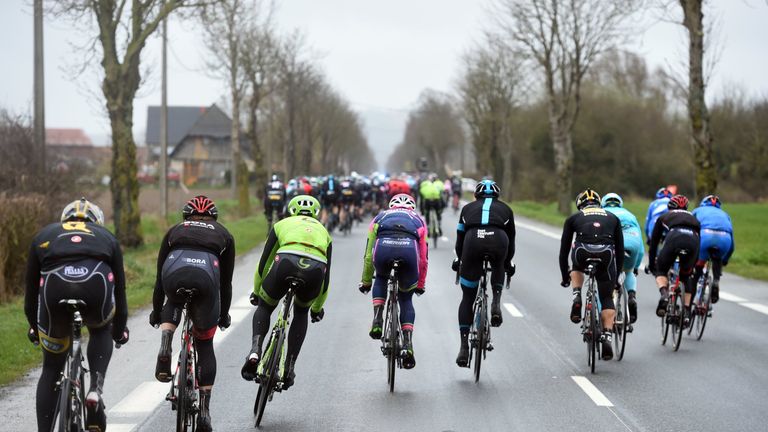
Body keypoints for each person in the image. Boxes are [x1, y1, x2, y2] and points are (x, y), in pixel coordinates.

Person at [24, 198, 129, 432]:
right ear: (96, 222)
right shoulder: (107, 237)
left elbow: (30, 297)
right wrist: (119, 329)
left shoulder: (44, 235)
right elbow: (120, 294)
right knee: (101, 329)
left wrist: (35, 327)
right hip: (95, 285)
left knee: (51, 369)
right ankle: (95, 390)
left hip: (55, 287)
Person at [150, 195, 235, 432]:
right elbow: (225, 283)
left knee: (174, 298)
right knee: (205, 344)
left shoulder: (174, 230)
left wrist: (157, 312)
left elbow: (159, 281)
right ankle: (205, 412)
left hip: (174, 273)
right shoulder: (224, 234)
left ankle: (166, 340)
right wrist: (223, 314)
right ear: (213, 218)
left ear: (187, 216)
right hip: (206, 278)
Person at [241, 195, 332, 389]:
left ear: (290, 209)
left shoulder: (281, 224)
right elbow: (326, 278)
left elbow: (264, 263)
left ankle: (255, 349)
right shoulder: (324, 232)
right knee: (301, 312)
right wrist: (317, 308)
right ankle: (289, 366)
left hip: (285, 262)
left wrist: (257, 292)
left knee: (265, 307)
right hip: (315, 269)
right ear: (316, 213)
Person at [359, 194, 428, 369]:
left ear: (391, 206)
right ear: (411, 208)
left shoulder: (380, 217)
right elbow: (423, 259)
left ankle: (377, 319)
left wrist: (366, 281)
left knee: (381, 277)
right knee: (406, 298)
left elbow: (368, 255)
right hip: (408, 252)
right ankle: (407, 344)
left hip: (384, 248)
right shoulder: (419, 221)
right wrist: (420, 284)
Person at [453, 180, 515, 367]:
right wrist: (507, 263)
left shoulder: (467, 209)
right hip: (499, 240)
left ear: (476, 195)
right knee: (498, 265)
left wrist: (459, 259)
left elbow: (459, 240)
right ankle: (496, 303)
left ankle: (464, 348)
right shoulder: (506, 209)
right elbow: (511, 241)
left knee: (467, 297)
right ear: (497, 196)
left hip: (473, 241)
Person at [559, 189, 623, 361]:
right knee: (606, 297)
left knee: (577, 266)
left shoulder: (573, 218)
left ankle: (577, 296)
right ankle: (608, 336)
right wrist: (616, 278)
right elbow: (620, 249)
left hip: (582, 252)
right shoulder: (612, 217)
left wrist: (565, 276)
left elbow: (563, 251)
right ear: (599, 204)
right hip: (606, 254)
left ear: (580, 205)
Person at [648, 195, 700, 324]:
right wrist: (693, 265)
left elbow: (654, 244)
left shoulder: (664, 217)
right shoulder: (694, 219)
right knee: (687, 276)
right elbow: (699, 243)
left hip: (674, 238)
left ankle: (665, 295)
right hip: (692, 242)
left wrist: (652, 265)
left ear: (669, 207)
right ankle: (687, 312)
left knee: (661, 270)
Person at [601, 193, 644, 324]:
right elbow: (641, 248)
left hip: (612, 244)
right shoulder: (630, 215)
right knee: (629, 271)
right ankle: (631, 295)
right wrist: (636, 266)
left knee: (602, 277)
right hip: (633, 243)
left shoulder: (603, 213)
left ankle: (601, 315)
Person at [692, 195, 733, 304]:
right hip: (725, 239)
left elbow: (690, 229)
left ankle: (690, 296)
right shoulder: (725, 215)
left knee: (697, 266)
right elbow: (732, 243)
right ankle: (716, 281)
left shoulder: (697, 210)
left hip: (705, 236)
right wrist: (725, 260)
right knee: (718, 258)